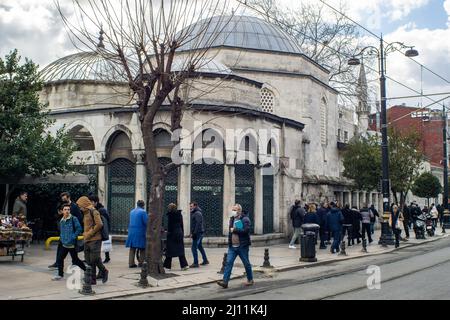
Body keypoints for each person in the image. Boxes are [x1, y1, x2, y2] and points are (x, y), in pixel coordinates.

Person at [217, 204, 254, 289]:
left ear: (239, 211)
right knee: (229, 263)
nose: (233, 211)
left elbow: (246, 230)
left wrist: (235, 230)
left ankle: (250, 279)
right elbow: (231, 232)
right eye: (233, 209)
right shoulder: (232, 218)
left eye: (235, 210)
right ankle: (225, 282)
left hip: (242, 246)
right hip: (232, 247)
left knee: (246, 263)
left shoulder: (245, 219)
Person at [76, 196, 108, 285]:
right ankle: (92, 279)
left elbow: (99, 224)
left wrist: (89, 233)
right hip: (87, 240)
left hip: (95, 239)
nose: (79, 208)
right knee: (89, 260)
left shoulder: (94, 212)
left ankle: (104, 271)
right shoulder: (85, 213)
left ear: (84, 204)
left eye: (80, 206)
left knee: (95, 258)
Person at [52, 203, 86, 280]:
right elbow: (62, 231)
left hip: (71, 244)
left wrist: (73, 237)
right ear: (62, 211)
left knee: (75, 260)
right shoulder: (61, 220)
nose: (67, 211)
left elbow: (79, 229)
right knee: (60, 259)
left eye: (68, 209)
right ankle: (60, 274)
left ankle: (87, 271)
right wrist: (62, 238)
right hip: (64, 243)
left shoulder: (74, 219)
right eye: (65, 209)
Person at [163, 203, 189, 271]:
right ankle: (184, 265)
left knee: (169, 251)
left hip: (173, 234)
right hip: (179, 233)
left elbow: (170, 226)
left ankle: (167, 266)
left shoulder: (170, 215)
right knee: (180, 250)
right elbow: (181, 224)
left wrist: (168, 232)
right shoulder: (179, 214)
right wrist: (182, 233)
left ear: (170, 208)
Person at [89, 195, 111, 264]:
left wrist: (106, 229)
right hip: (97, 229)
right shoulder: (93, 209)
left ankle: (106, 257)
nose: (90, 203)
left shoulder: (101, 210)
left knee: (104, 243)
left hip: (102, 229)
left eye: (91, 202)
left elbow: (106, 220)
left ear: (95, 202)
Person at [125, 200, 148, 268]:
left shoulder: (132, 211)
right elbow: (146, 222)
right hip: (140, 231)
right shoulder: (143, 212)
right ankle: (141, 263)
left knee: (132, 248)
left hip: (131, 231)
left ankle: (131, 263)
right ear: (143, 205)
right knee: (142, 248)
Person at [190, 202, 209, 267]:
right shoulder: (195, 213)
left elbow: (198, 224)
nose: (190, 207)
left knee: (193, 248)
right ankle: (205, 260)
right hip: (198, 233)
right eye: (190, 206)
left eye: (191, 206)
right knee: (199, 246)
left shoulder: (197, 213)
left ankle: (195, 263)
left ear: (195, 206)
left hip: (198, 233)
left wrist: (194, 233)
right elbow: (194, 224)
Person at [48, 203, 65, 270]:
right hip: (62, 237)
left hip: (65, 237)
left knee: (63, 252)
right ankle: (58, 263)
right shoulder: (59, 217)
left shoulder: (64, 218)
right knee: (60, 251)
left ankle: (59, 264)